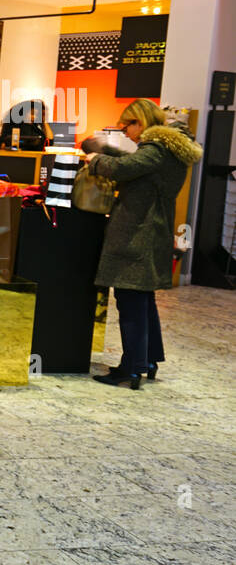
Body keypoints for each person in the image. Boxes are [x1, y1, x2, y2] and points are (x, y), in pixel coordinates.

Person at [83, 98, 203, 389]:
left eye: (129, 124)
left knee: (130, 298)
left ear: (143, 122)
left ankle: (130, 369)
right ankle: (148, 359)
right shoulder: (167, 150)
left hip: (139, 231)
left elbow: (124, 169)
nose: (125, 131)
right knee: (142, 297)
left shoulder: (157, 149)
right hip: (150, 229)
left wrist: (94, 159)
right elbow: (131, 166)